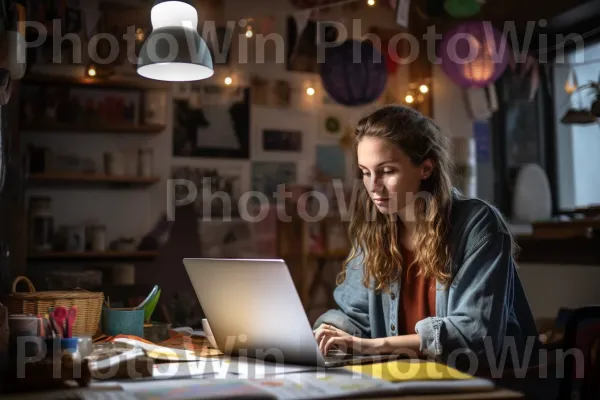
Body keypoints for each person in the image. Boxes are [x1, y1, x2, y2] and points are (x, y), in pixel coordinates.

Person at [313, 105, 540, 374]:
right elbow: (355, 316)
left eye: (386, 171)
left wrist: (371, 346)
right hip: (412, 380)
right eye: (365, 172)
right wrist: (326, 333)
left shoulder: (479, 224)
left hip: (487, 382)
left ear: (426, 168)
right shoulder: (376, 230)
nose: (373, 186)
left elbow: (474, 334)